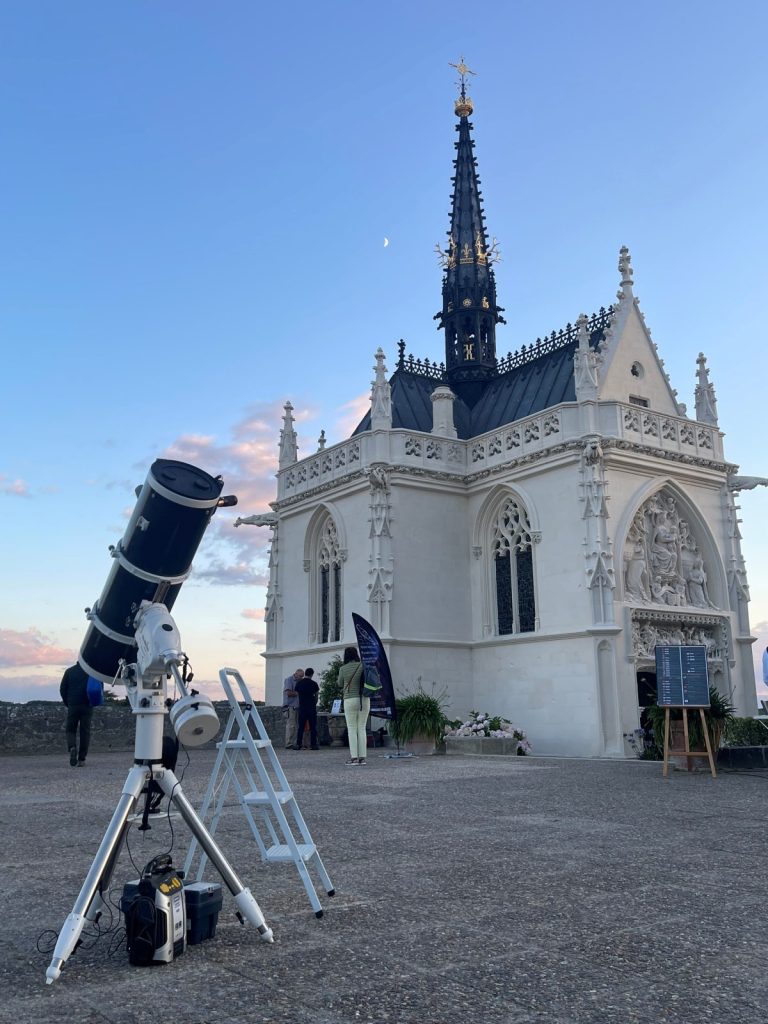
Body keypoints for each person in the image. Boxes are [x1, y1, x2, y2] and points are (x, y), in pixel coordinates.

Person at [338, 647, 369, 766]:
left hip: (350, 698)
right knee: (362, 727)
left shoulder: (343, 668)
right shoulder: (363, 665)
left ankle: (354, 758)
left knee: (352, 728)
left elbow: (340, 683)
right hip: (364, 699)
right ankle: (362, 757)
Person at [59, 662, 93, 767]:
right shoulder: (91, 672)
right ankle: (81, 759)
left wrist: (68, 702)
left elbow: (62, 689)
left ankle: (72, 747)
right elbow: (98, 688)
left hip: (73, 705)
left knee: (70, 729)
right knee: (85, 732)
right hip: (87, 705)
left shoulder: (69, 671)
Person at [292, 667, 320, 750]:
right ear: (312, 674)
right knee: (313, 727)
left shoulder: (299, 683)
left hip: (302, 707)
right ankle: (313, 745)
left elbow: (297, 693)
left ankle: (298, 744)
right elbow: (317, 695)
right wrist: (314, 703)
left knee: (301, 727)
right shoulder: (314, 684)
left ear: (305, 674)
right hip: (311, 707)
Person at [282, 668, 303, 749]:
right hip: (290, 706)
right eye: (300, 676)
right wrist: (300, 693)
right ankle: (288, 743)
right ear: (295, 674)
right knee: (291, 725)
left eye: (302, 676)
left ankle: (294, 743)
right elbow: (288, 693)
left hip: (297, 706)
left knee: (296, 726)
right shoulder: (289, 680)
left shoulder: (299, 681)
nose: (301, 678)